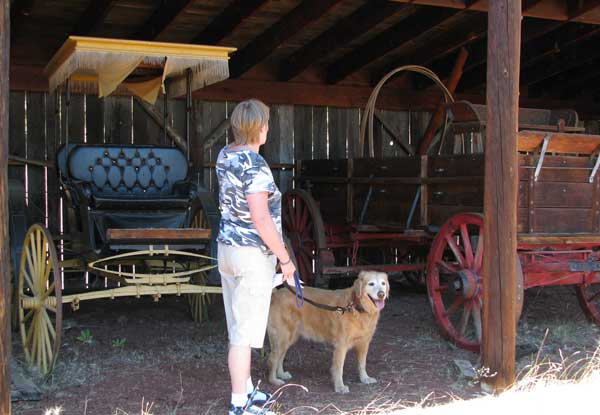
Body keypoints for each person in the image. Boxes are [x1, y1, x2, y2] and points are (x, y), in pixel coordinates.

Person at [216, 99, 297, 415]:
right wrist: (285, 260)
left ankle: (247, 390)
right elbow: (261, 220)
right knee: (243, 334)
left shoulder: (225, 155)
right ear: (258, 128)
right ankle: (239, 404)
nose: (268, 127)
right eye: (265, 123)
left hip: (227, 250)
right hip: (251, 256)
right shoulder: (256, 166)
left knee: (238, 325)